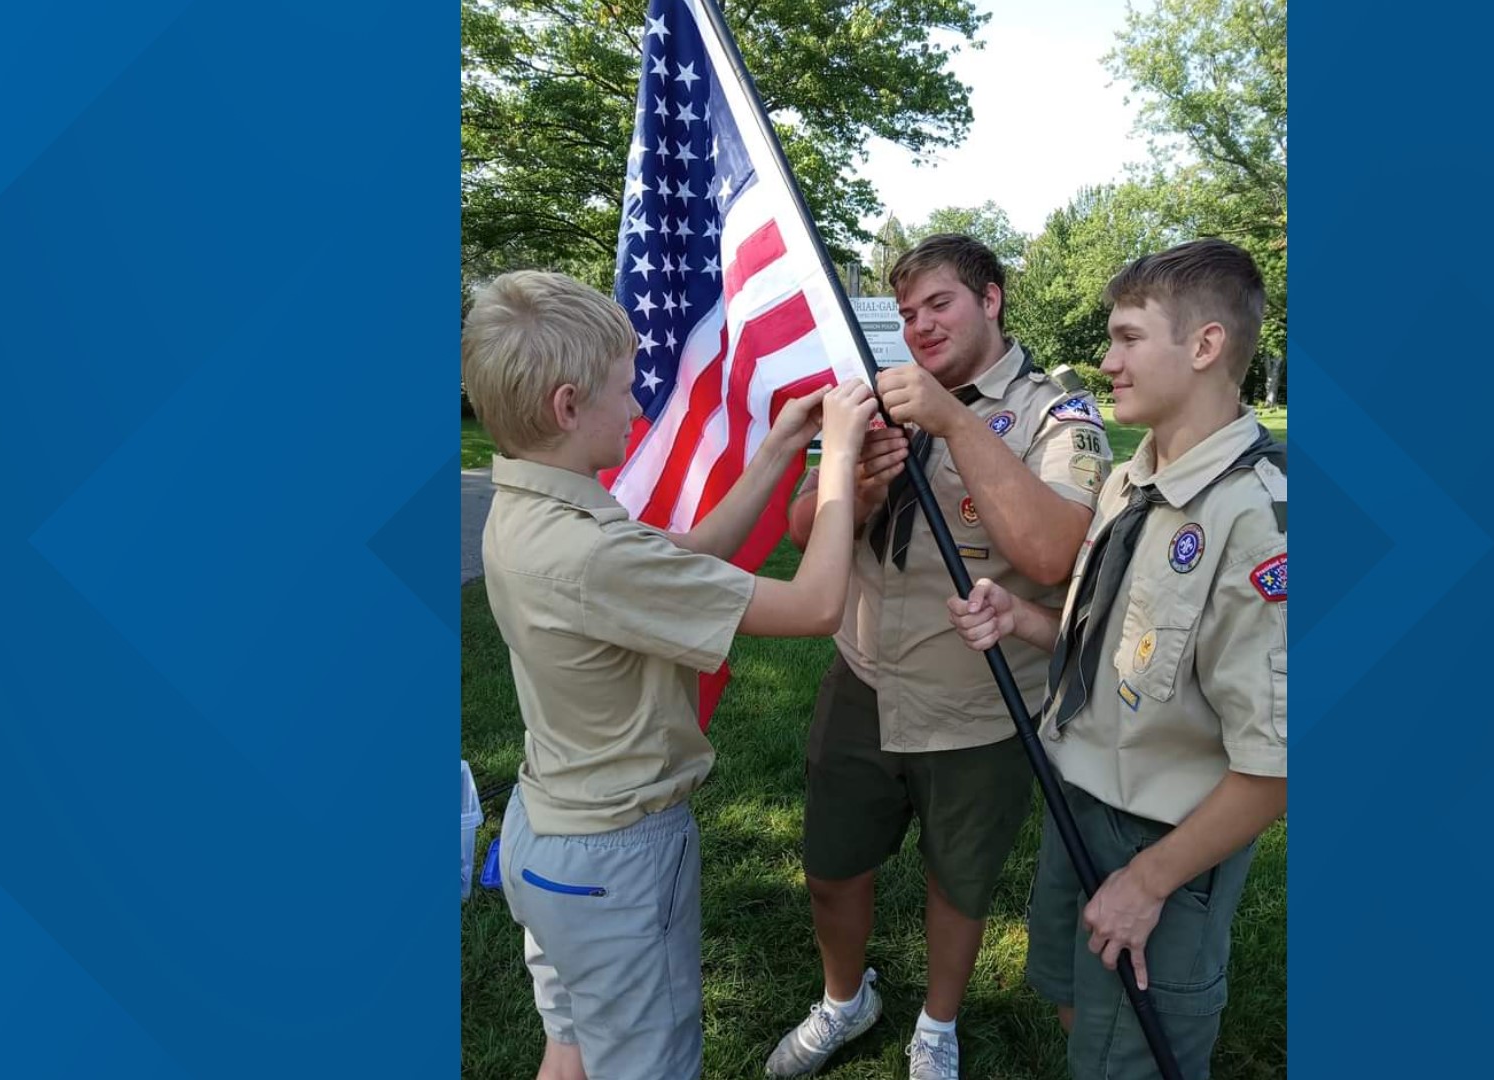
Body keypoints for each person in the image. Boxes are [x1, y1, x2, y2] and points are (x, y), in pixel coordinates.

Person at [461, 269, 879, 1080]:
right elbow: (818, 604)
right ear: (568, 407)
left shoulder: (538, 509)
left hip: (548, 839)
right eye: (625, 390)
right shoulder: (590, 551)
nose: (640, 407)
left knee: (573, 1042)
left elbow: (687, 557)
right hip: (616, 861)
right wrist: (842, 465)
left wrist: (780, 449)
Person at [771, 235, 1113, 1078]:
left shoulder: (1054, 414)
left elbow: (1050, 555)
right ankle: (845, 1001)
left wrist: (953, 420)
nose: (920, 325)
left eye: (940, 304)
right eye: (909, 310)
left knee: (958, 883)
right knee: (830, 866)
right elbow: (804, 532)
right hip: (862, 679)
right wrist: (868, 487)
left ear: (990, 299)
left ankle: (937, 1026)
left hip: (977, 702)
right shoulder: (879, 400)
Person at [946, 239, 1288, 1079]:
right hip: (1082, 796)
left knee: (1139, 1053)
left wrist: (1148, 882)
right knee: (1081, 1013)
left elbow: (1279, 760)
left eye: (1129, 338)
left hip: (1167, 838)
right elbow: (1125, 639)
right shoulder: (1134, 480)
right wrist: (1027, 620)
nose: (1106, 362)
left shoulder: (1258, 518)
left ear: (1205, 346)